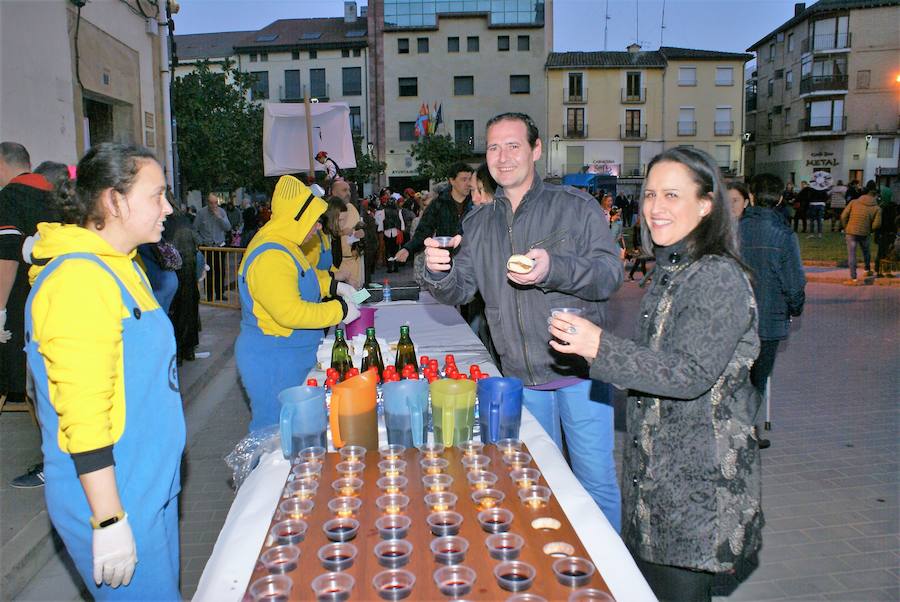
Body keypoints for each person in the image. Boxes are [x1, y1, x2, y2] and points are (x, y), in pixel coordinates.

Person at [548, 147, 762, 601]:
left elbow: (689, 373)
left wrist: (599, 348)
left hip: (698, 486)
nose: (654, 207)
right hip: (658, 478)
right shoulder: (675, 269)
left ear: (706, 205)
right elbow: (656, 365)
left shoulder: (717, 276)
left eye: (671, 195)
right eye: (649, 194)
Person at [423, 112, 624, 531]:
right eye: (494, 147)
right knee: (537, 484)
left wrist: (554, 268)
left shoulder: (574, 206)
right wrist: (437, 271)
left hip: (578, 372)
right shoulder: (478, 223)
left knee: (595, 483)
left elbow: (609, 275)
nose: (503, 156)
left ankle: (609, 586)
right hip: (520, 376)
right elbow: (461, 290)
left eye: (514, 145)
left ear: (536, 150)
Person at [25, 143, 184, 598]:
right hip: (115, 496)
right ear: (114, 201)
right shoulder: (79, 279)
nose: (168, 208)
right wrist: (110, 519)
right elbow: (83, 411)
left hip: (149, 484)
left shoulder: (123, 267)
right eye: (157, 195)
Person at [235, 175, 358, 432]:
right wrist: (340, 310)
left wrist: (333, 286)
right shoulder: (271, 254)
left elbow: (305, 278)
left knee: (296, 431)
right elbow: (290, 312)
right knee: (276, 435)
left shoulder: (286, 244)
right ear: (298, 218)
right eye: (314, 221)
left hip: (291, 353)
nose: (317, 228)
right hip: (274, 359)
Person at [0, 143, 64, 489]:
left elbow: (6, 260)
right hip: (61, 303)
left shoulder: (9, 197)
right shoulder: (58, 197)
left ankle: (55, 464)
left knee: (35, 386)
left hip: (27, 308)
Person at [738, 173, 806, 450]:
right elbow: (794, 280)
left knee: (735, 377)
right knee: (758, 378)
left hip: (735, 319)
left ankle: (733, 431)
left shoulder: (732, 230)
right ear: (779, 199)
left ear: (751, 197)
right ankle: (745, 432)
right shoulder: (784, 235)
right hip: (769, 320)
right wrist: (796, 306)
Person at [392, 162, 474, 265]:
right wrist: (408, 249)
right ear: (452, 181)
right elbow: (424, 230)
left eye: (470, 179)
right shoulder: (438, 204)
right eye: (463, 179)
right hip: (445, 260)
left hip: (472, 260)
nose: (468, 183)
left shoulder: (476, 203)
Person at [840, 180, 882, 283]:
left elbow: (843, 216)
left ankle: (853, 278)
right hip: (865, 232)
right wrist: (870, 229)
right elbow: (877, 224)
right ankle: (867, 269)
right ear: (875, 194)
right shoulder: (877, 208)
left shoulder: (854, 202)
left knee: (852, 254)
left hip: (851, 231)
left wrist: (846, 227)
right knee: (866, 251)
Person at [193, 193, 231, 301]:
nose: (214, 205)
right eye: (211, 203)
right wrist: (201, 242)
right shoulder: (201, 214)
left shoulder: (222, 212)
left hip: (220, 246)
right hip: (207, 247)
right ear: (207, 202)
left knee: (220, 271)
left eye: (215, 202)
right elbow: (195, 230)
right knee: (208, 271)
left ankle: (220, 294)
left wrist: (220, 218)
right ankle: (209, 295)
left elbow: (228, 227)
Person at [330, 179, 364, 288]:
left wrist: (360, 234)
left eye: (349, 190)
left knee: (359, 291)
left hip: (356, 258)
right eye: (344, 190)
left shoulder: (352, 208)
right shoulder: (328, 210)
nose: (348, 193)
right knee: (345, 294)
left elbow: (356, 228)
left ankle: (362, 305)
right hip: (339, 263)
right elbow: (326, 232)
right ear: (334, 192)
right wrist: (341, 232)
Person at [875, 186, 897, 277]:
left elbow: (878, 223)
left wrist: (877, 235)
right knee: (888, 252)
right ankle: (887, 271)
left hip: (882, 233)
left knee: (881, 252)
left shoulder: (880, 207)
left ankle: (879, 271)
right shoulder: (894, 207)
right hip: (891, 233)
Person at [382, 194, 404, 273]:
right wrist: (402, 229)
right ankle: (396, 267)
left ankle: (389, 267)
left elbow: (382, 221)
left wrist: (381, 229)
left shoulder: (384, 211)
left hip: (387, 232)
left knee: (388, 250)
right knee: (396, 250)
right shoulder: (398, 211)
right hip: (395, 232)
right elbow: (401, 221)